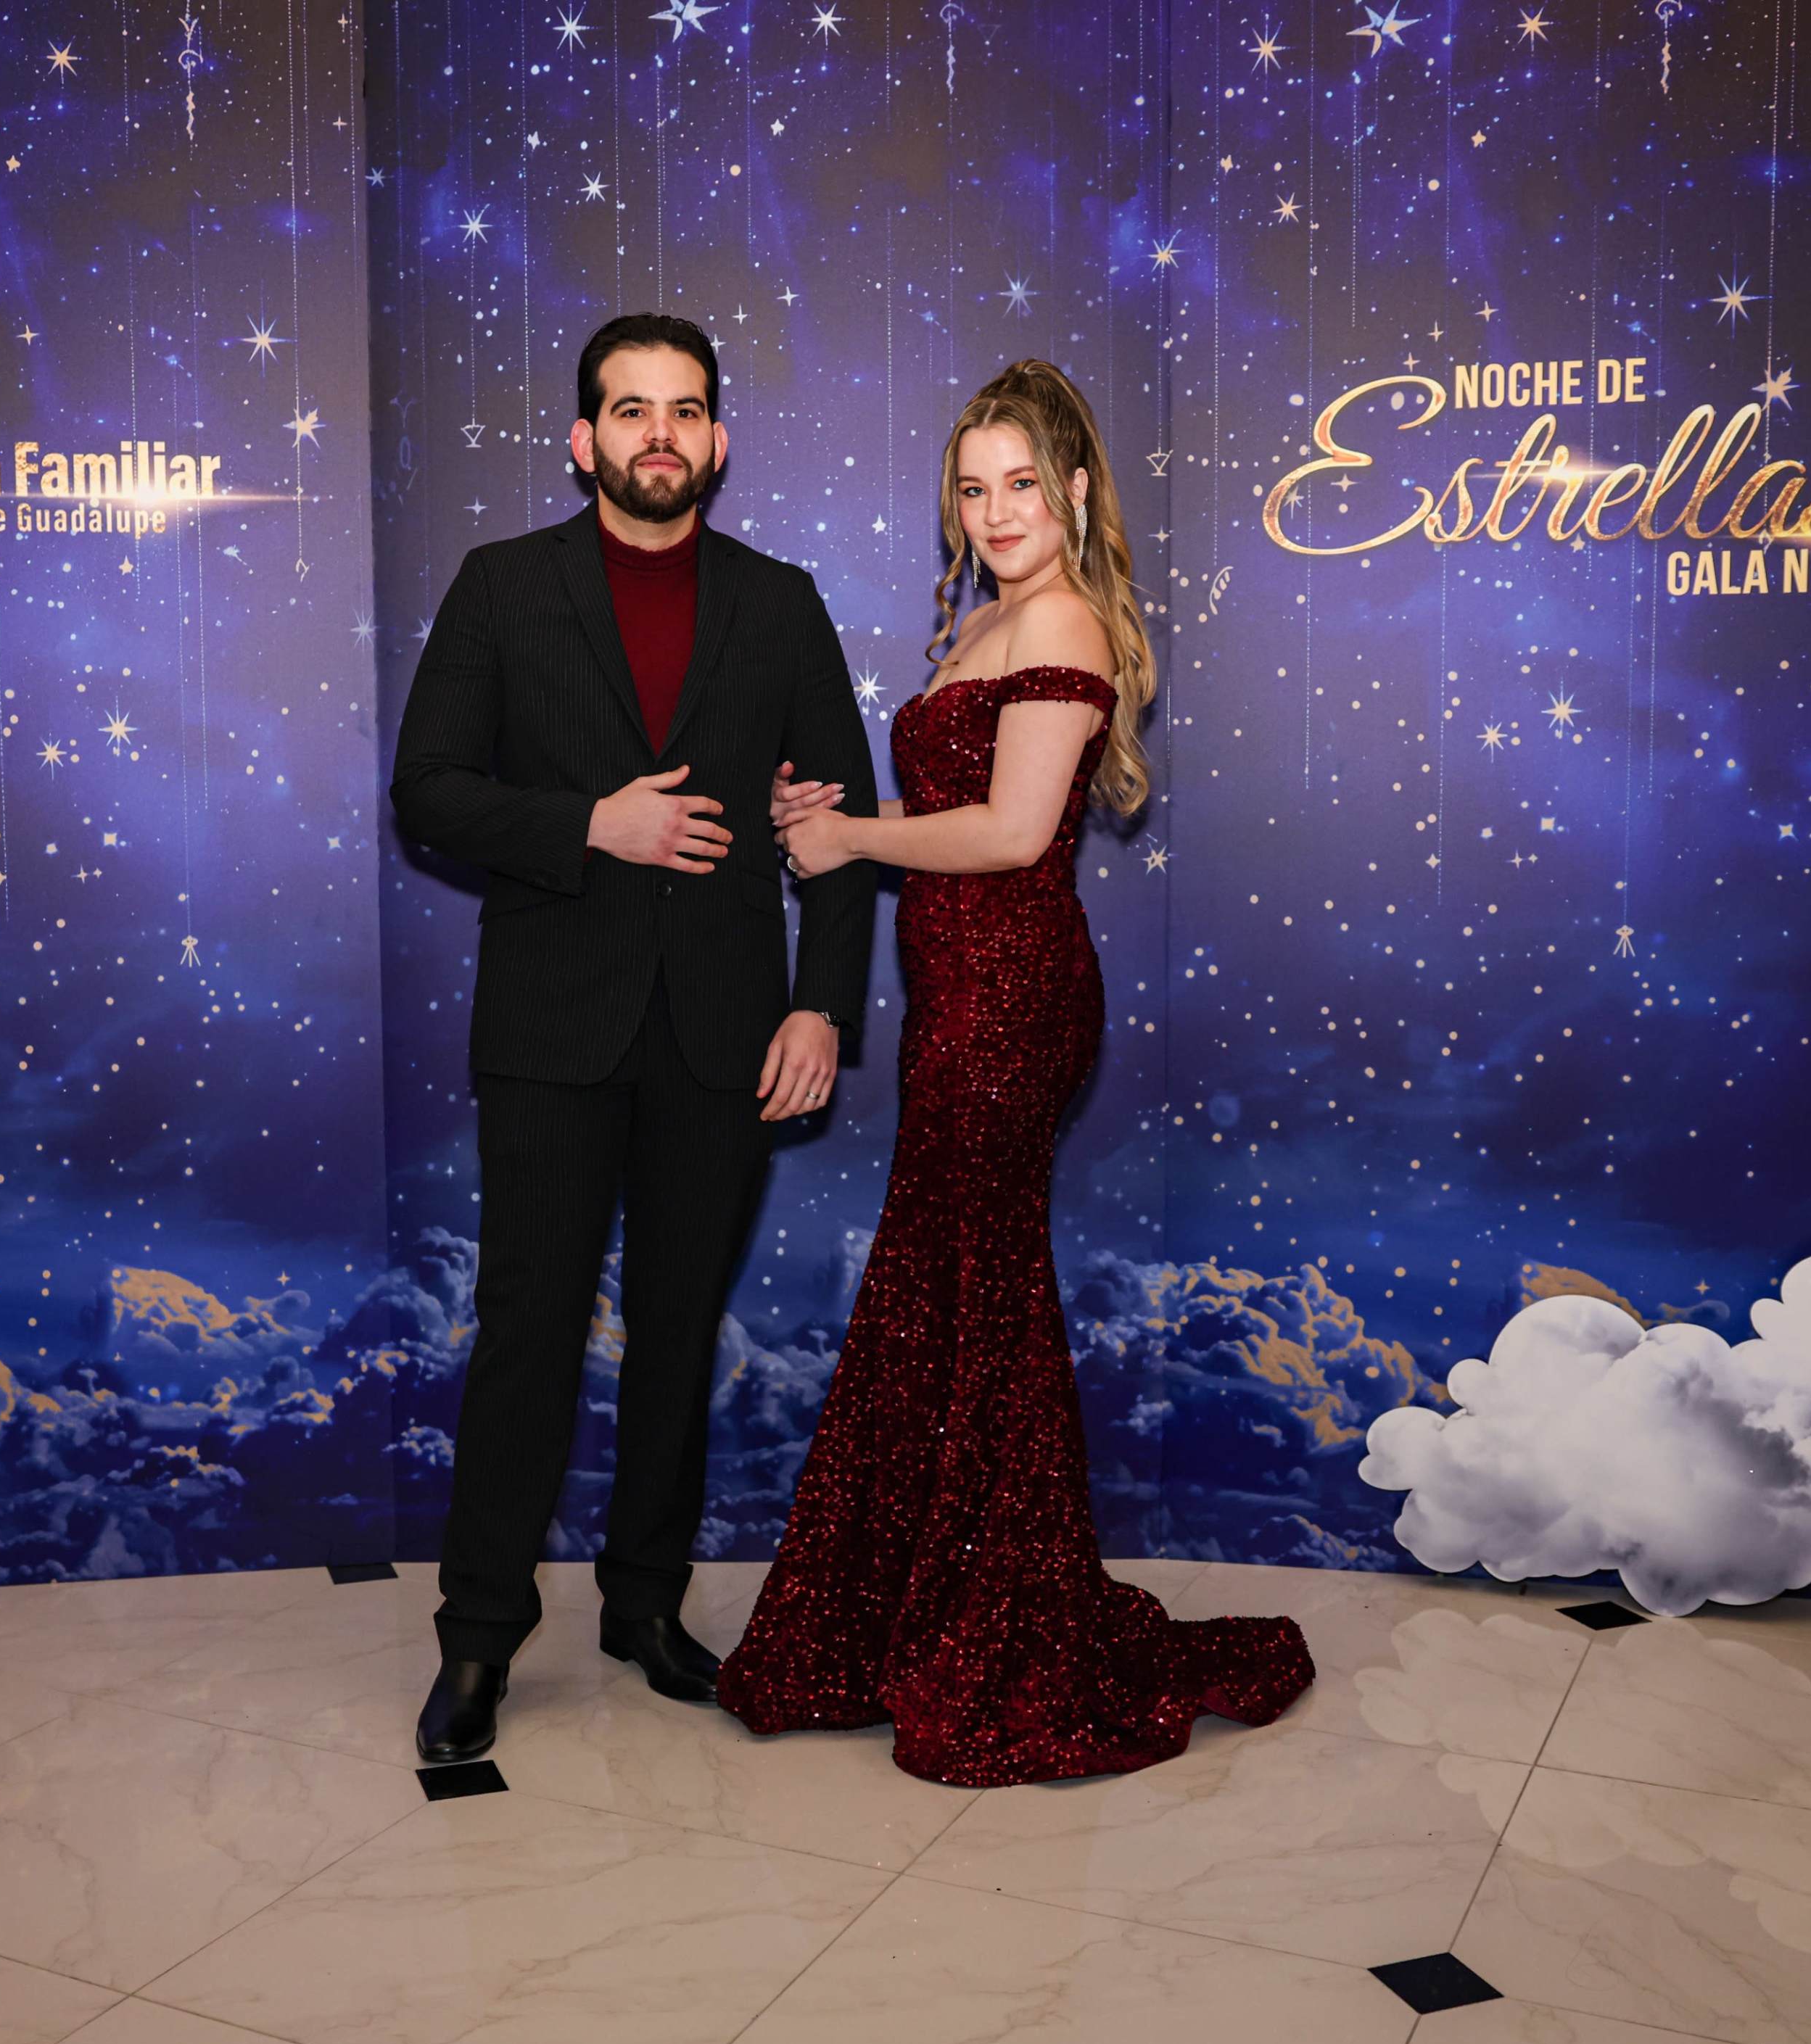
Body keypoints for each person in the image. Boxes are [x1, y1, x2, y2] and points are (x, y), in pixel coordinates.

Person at [717, 360, 1314, 1786]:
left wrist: (854, 839)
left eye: (1021, 486)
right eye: (973, 490)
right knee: (949, 1301)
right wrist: (838, 818)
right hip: (960, 1001)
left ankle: (1010, 1632)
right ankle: (924, 1614)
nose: (995, 512)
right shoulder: (990, 614)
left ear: (1078, 492)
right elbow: (947, 806)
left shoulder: (1064, 622)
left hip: (1013, 1007)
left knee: (970, 1303)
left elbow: (1007, 833)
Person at [389, 314, 881, 1763]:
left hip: (725, 1035)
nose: (656, 434)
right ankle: (478, 1640)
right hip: (549, 1033)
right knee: (527, 1336)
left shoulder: (781, 604)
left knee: (677, 1335)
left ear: (718, 441)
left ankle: (645, 1604)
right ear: (582, 438)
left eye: (683, 411)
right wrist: (588, 825)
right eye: (628, 410)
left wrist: (822, 1005)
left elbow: (837, 828)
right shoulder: (500, 588)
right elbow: (428, 791)